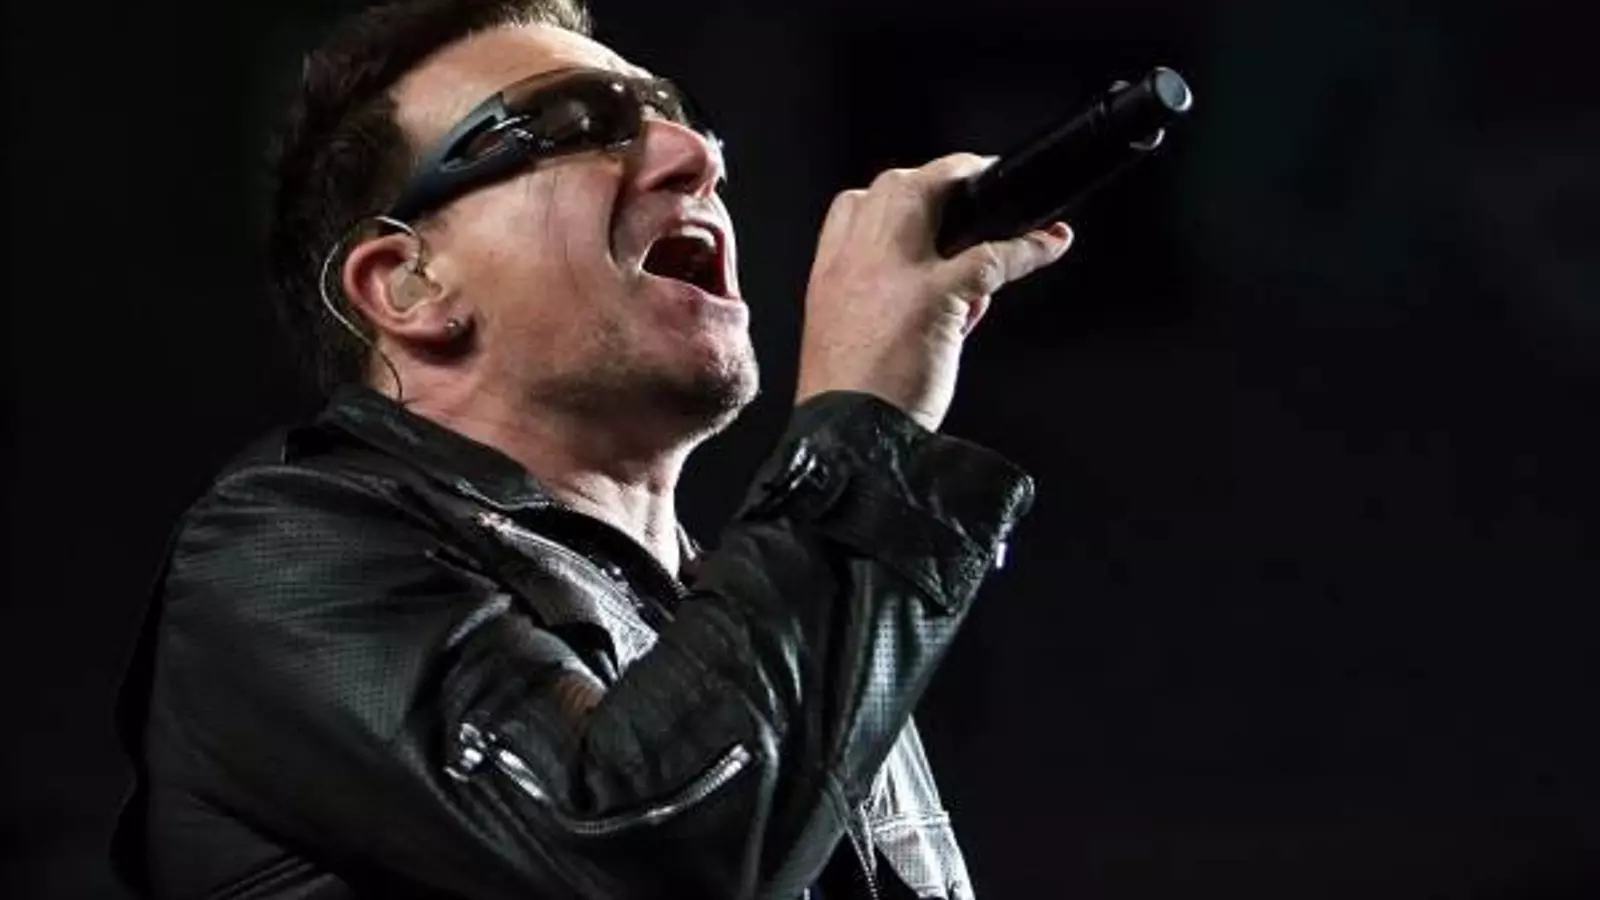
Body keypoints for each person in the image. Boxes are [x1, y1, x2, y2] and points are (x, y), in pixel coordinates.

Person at [111, 0, 1074, 897]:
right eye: (575, 123)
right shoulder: (276, 561)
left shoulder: (772, 617)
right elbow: (653, 853)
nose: (696, 156)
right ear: (408, 284)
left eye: (683, 118)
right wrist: (862, 421)